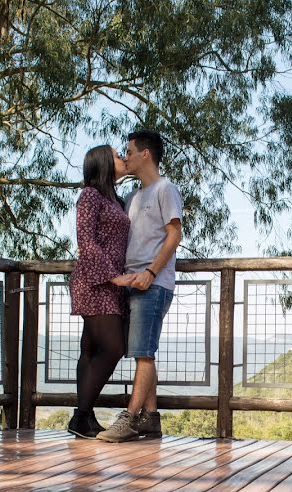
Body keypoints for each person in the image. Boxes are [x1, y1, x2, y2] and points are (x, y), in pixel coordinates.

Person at [98, 130, 183, 442]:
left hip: (154, 283)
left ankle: (130, 418)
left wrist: (150, 272)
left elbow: (175, 235)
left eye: (129, 151)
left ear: (145, 153)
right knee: (142, 353)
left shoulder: (165, 189)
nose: (126, 157)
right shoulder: (133, 197)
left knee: (144, 353)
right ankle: (151, 418)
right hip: (131, 283)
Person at [67, 145, 130, 439]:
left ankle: (85, 416)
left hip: (109, 282)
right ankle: (81, 416)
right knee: (114, 347)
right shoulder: (90, 196)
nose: (123, 159)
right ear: (105, 162)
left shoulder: (114, 199)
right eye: (118, 156)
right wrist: (112, 276)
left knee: (90, 350)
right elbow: (86, 241)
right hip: (94, 281)